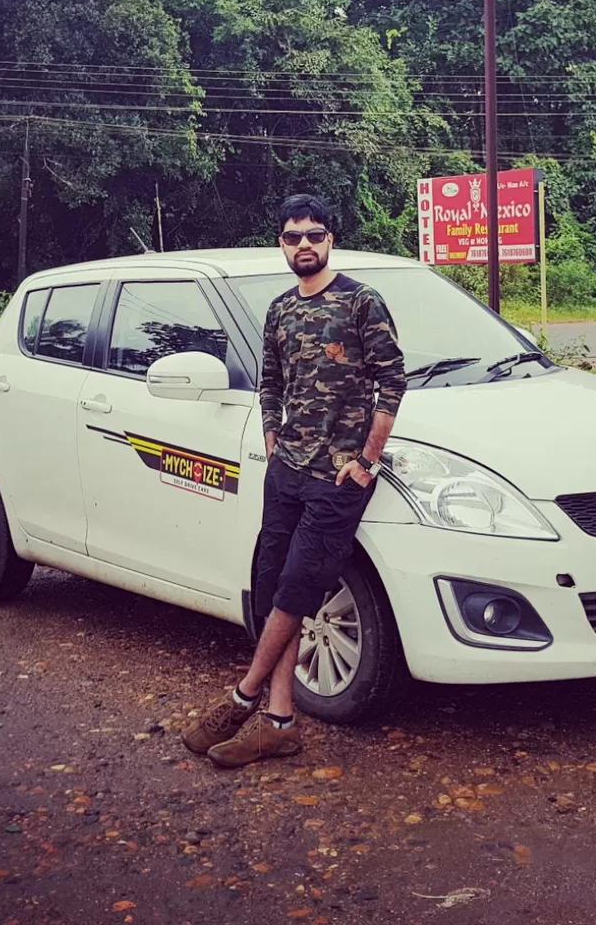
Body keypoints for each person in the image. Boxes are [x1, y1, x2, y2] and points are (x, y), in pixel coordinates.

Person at [182, 193, 406, 768]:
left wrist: (367, 461)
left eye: (314, 234)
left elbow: (393, 383)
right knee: (274, 583)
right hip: (286, 471)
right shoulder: (280, 309)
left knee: (300, 586)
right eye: (292, 236)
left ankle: (242, 698)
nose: (303, 244)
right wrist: (270, 437)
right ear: (281, 244)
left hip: (339, 476)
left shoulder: (361, 302)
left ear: (330, 239)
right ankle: (280, 722)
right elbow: (270, 382)